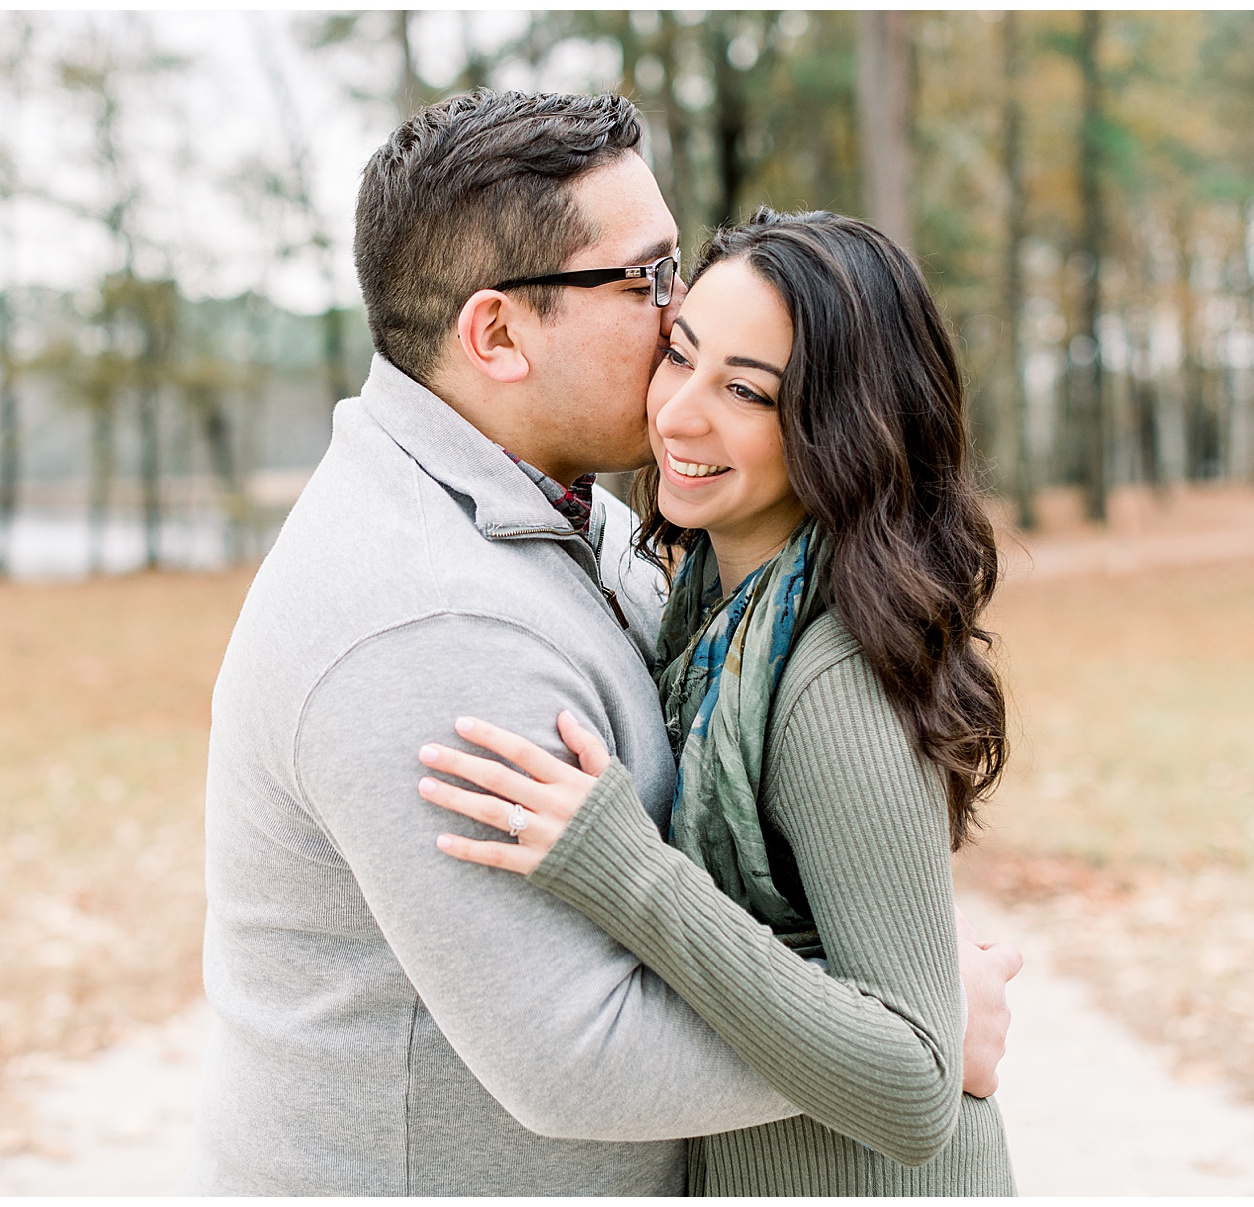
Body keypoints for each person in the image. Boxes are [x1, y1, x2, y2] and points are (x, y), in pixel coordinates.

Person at [188, 90, 1018, 1195]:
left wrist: (903, 996)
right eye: (646, 280)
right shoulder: (432, 623)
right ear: (497, 334)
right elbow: (585, 1052)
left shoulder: (578, 517)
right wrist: (913, 1029)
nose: (678, 314)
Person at [420, 208, 1018, 1194]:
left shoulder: (829, 678)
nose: (678, 414)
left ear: (843, 428)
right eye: (680, 356)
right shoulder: (708, 617)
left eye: (745, 390)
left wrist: (628, 871)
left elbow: (916, 1081)